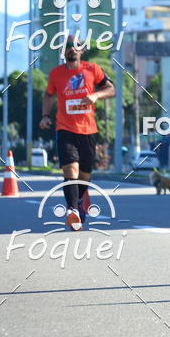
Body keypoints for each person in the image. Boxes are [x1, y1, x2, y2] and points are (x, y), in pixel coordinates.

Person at [39, 36, 115, 230]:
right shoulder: (56, 74)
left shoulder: (92, 69)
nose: (72, 49)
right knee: (70, 170)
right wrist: (45, 115)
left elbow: (110, 88)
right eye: (68, 47)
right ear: (63, 52)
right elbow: (48, 95)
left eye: (75, 47)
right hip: (65, 128)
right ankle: (72, 210)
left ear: (81, 51)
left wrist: (95, 95)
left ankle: (79, 202)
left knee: (85, 175)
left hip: (88, 130)